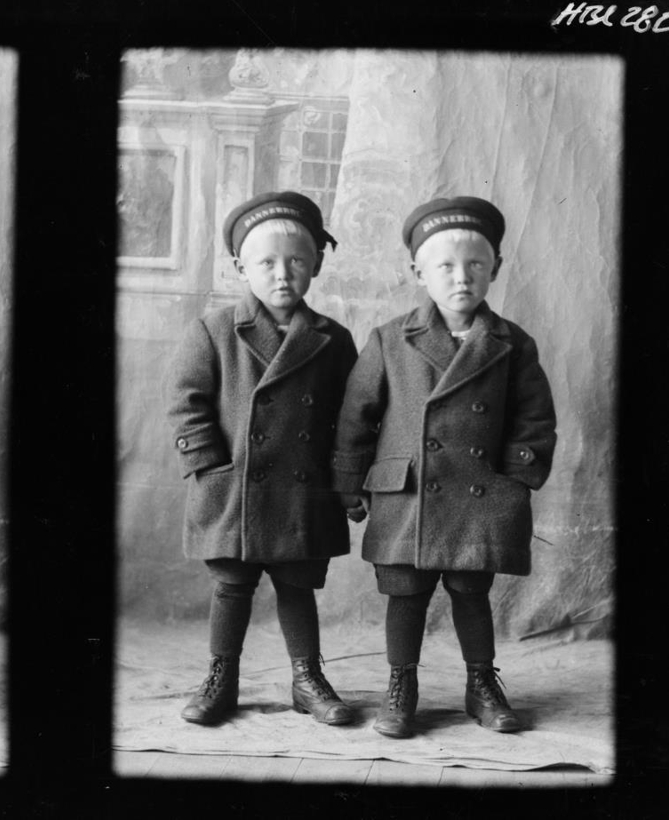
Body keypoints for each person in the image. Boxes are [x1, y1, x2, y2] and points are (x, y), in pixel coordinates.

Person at [332, 196, 557, 738]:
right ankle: (401, 686)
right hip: (407, 496)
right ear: (419, 273)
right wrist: (349, 484)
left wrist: (513, 478)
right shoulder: (390, 339)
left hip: (478, 495)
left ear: (495, 269)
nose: (462, 277)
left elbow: (534, 418)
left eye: (476, 264)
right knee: (405, 596)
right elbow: (356, 416)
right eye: (446, 266)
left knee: (471, 592)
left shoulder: (511, 343)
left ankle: (482, 684)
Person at [166, 191, 358, 726]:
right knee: (231, 587)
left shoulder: (333, 340)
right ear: (240, 268)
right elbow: (185, 403)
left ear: (316, 265)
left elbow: (352, 417)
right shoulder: (214, 331)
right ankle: (221, 678)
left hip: (303, 491)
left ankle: (307, 679)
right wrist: (211, 467)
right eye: (267, 262)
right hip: (234, 489)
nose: (282, 274)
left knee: (297, 587)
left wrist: (345, 481)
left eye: (296, 260)